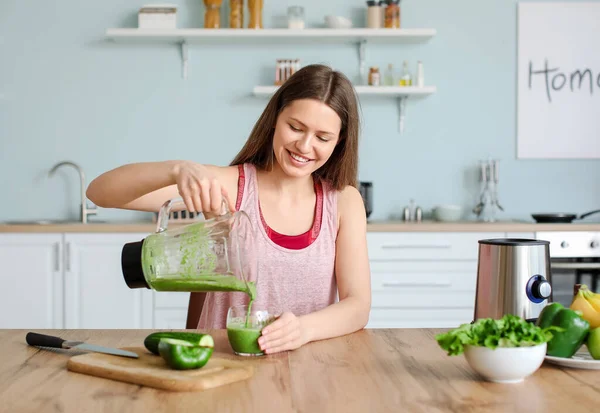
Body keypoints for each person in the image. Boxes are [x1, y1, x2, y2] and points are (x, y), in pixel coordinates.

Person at [87, 64, 371, 355]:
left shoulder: (344, 202)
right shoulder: (228, 187)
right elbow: (99, 192)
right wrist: (176, 169)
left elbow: (357, 305)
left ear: (339, 142)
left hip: (308, 370)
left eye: (323, 137)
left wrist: (303, 329)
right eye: (295, 127)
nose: (305, 145)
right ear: (275, 119)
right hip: (224, 363)